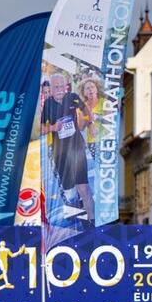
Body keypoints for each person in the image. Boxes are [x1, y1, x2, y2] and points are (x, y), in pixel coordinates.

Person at [41, 72, 92, 223]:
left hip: (77, 148)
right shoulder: (48, 104)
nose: (59, 89)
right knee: (69, 191)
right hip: (60, 153)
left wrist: (88, 123)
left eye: (61, 86)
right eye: (56, 87)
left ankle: (91, 222)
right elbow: (42, 128)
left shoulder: (73, 97)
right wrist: (53, 128)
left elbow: (87, 112)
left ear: (66, 86)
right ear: (51, 88)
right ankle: (77, 223)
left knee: (83, 187)